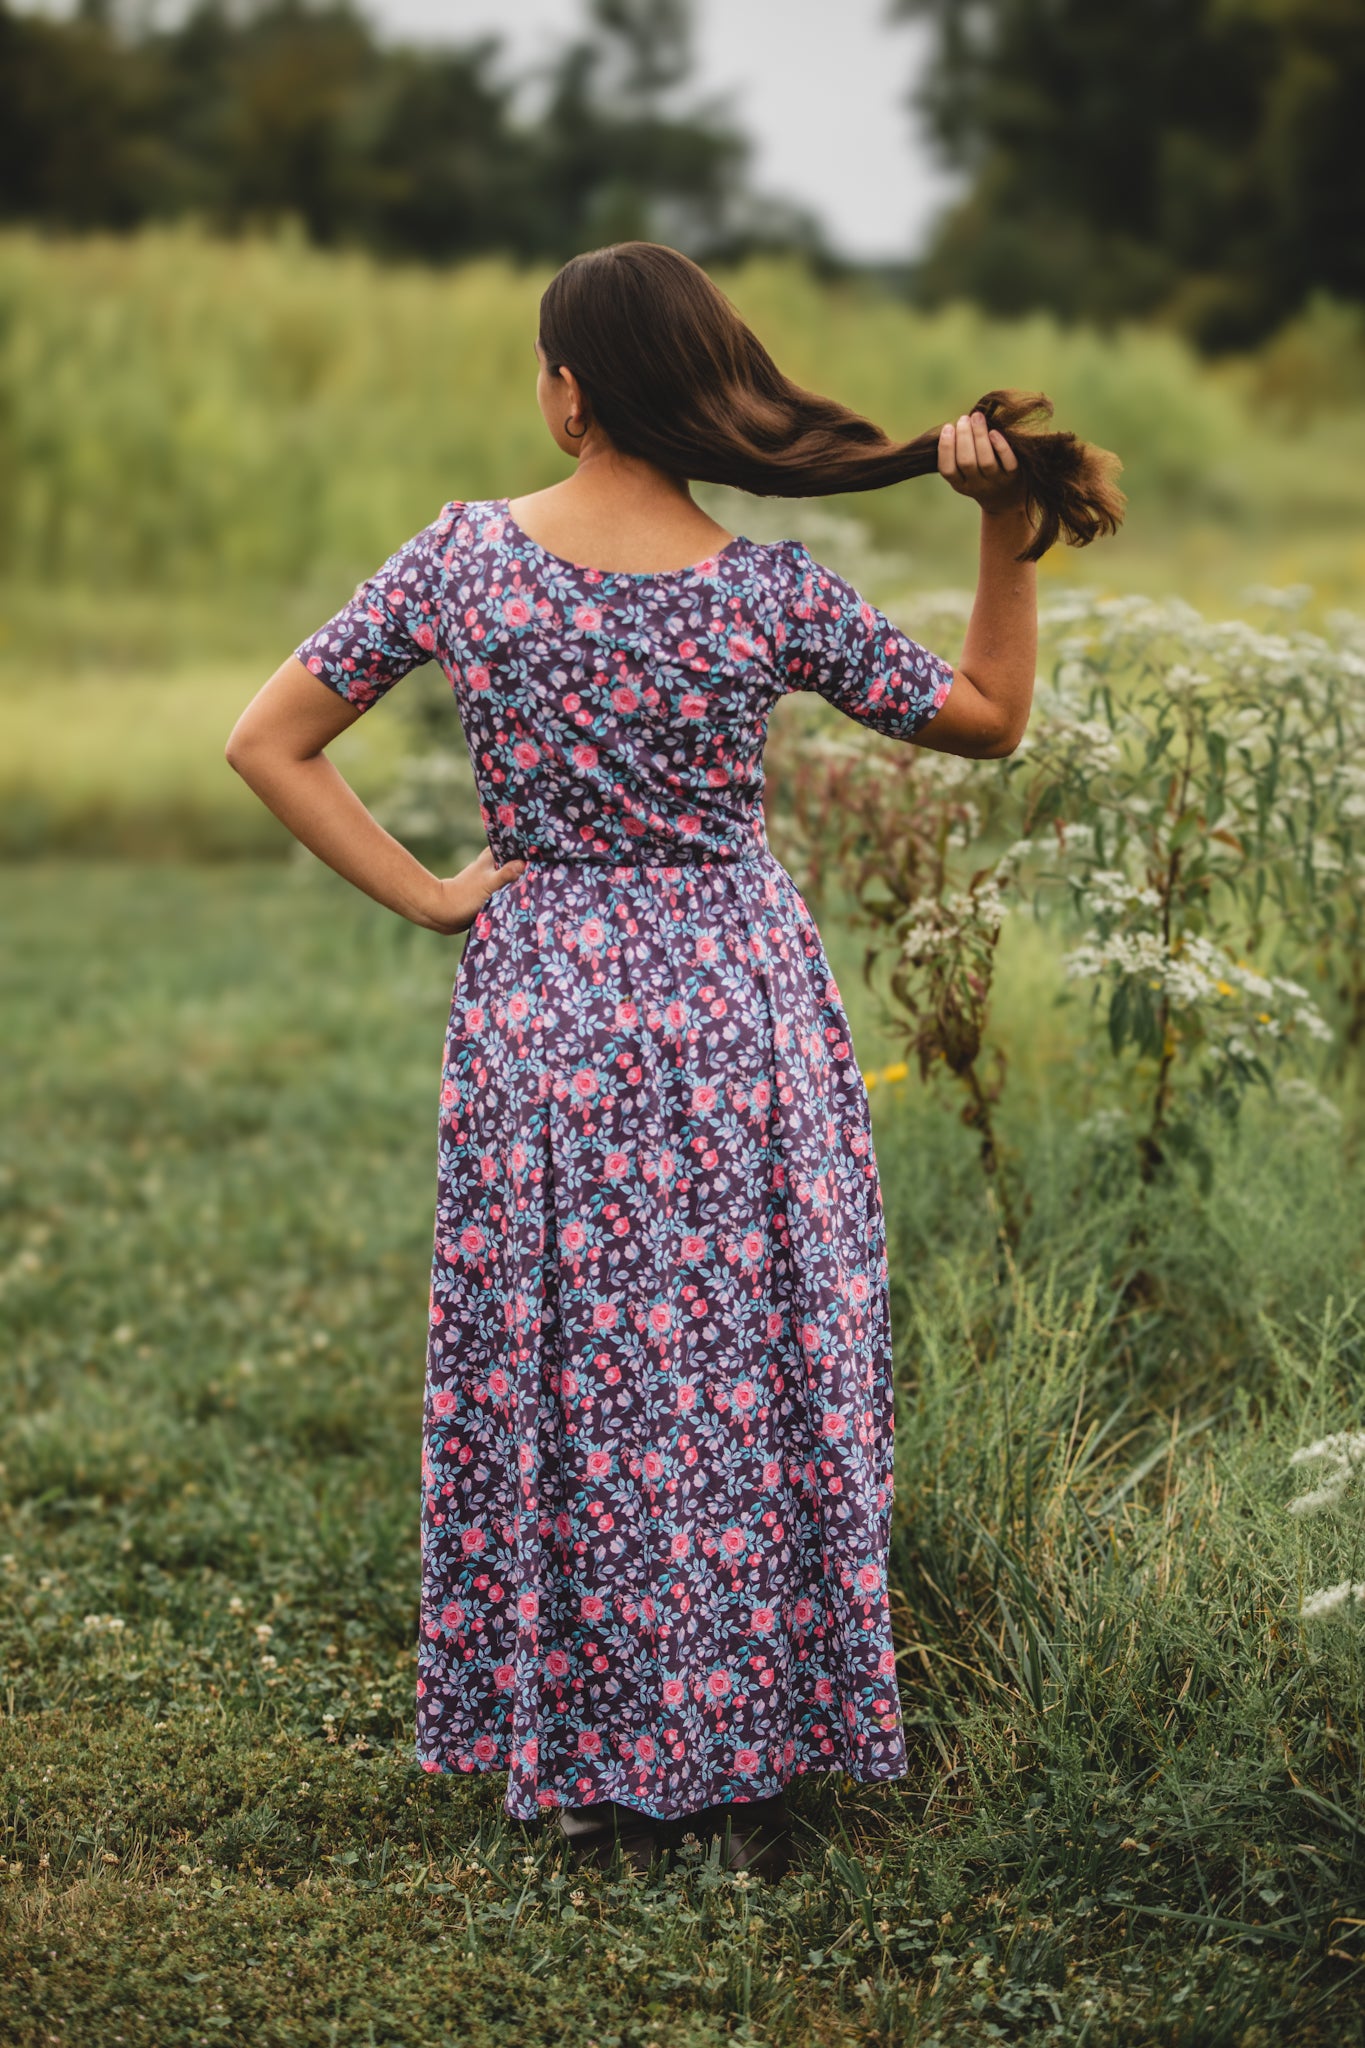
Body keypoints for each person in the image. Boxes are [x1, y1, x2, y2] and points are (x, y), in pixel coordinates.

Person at [225, 240, 1122, 1881]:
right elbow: (991, 719)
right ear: (699, 388)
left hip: (548, 1005)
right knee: (742, 1372)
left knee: (564, 1365)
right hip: (734, 1012)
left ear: (568, 394)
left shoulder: (461, 559)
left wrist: (434, 895)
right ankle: (742, 1751)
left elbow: (266, 742)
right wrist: (1003, 529)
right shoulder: (765, 591)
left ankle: (580, 1756)